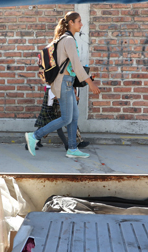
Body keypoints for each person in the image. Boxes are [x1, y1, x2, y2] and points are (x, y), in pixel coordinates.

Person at [25, 12, 100, 159]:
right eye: (79, 21)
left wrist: (73, 85)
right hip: (64, 82)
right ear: (71, 22)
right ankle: (34, 136)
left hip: (67, 82)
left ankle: (72, 148)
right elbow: (77, 66)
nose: (81, 24)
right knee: (66, 118)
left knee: (74, 116)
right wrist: (90, 83)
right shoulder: (68, 40)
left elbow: (70, 66)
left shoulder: (65, 39)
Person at [29, 85, 88, 150]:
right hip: (49, 111)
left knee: (45, 126)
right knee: (55, 126)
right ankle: (67, 145)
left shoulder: (52, 88)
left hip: (51, 110)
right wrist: (72, 98)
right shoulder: (51, 89)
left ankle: (35, 141)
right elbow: (55, 99)